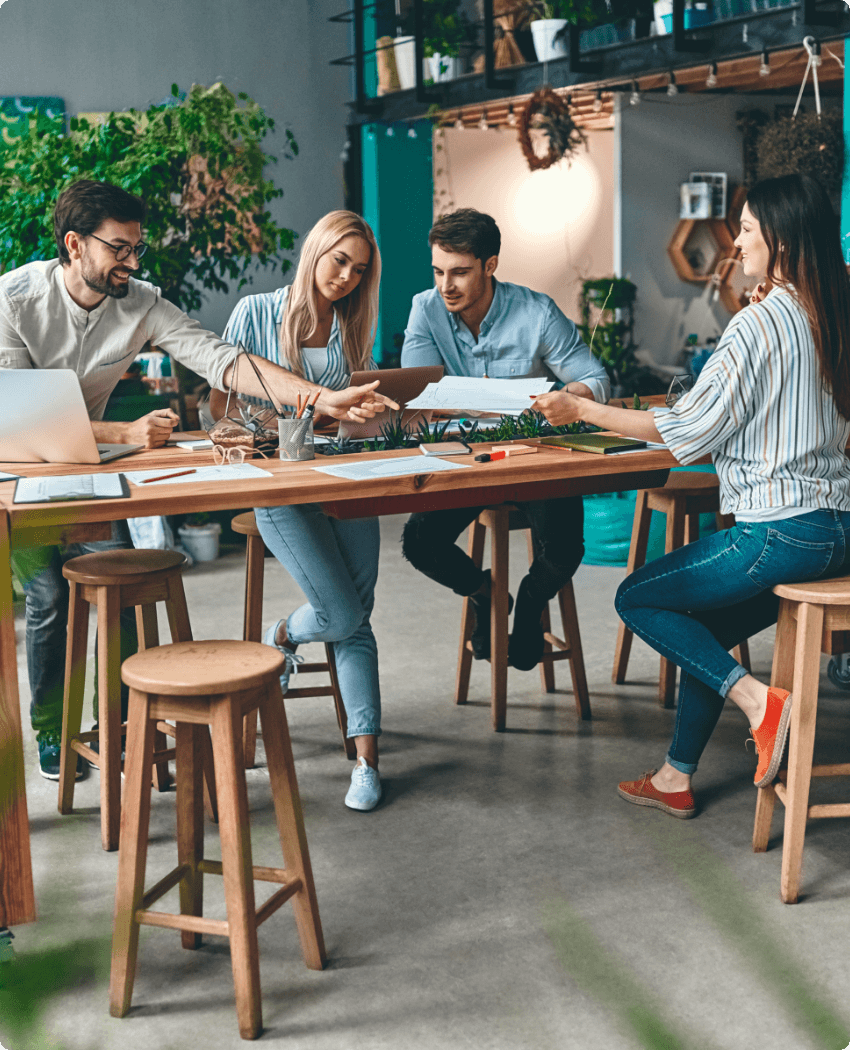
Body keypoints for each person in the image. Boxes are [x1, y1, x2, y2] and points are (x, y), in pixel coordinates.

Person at [0, 180, 395, 781]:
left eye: (137, 248)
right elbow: (17, 412)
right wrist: (125, 436)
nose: (132, 262)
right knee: (51, 598)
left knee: (121, 589)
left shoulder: (141, 302)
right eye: (119, 249)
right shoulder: (13, 300)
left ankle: (123, 725)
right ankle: (53, 733)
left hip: (93, 473)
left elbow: (225, 360)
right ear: (75, 245)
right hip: (22, 471)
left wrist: (324, 400)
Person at [533, 174, 850, 818]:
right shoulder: (835, 316)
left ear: (783, 242)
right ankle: (676, 777)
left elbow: (684, 434)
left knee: (636, 596)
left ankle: (763, 705)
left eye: (751, 229)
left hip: (778, 533)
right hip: (838, 534)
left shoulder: (759, 324)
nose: (738, 241)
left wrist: (579, 410)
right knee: (701, 634)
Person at [219, 210, 388, 812]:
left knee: (355, 616)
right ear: (315, 248)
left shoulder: (350, 325)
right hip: (280, 485)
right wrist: (316, 413)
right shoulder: (255, 312)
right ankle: (283, 635)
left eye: (359, 270)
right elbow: (228, 415)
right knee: (343, 611)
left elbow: (348, 417)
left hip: (346, 477)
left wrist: (364, 415)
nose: (345, 277)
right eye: (339, 260)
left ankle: (367, 761)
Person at [400, 208, 610, 670]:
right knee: (418, 542)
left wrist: (566, 398)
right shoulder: (425, 309)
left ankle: (530, 605)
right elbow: (419, 394)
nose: (445, 285)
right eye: (438, 271)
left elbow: (596, 378)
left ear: (490, 265)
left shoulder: (535, 311)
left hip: (533, 457)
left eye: (459, 272)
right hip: (466, 462)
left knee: (565, 548)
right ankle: (487, 593)